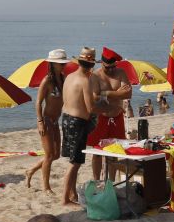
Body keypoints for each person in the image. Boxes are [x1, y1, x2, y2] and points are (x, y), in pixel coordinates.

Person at [60, 47, 114, 207]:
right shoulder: (85, 81)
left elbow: (67, 99)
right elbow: (91, 108)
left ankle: (72, 193)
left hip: (66, 118)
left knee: (73, 160)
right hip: (77, 122)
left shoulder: (69, 77)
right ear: (90, 66)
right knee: (74, 163)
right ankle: (65, 199)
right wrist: (107, 108)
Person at [25, 49, 70, 195]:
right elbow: (38, 102)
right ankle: (46, 187)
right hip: (46, 120)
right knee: (50, 155)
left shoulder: (63, 79)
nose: (63, 66)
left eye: (63, 63)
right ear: (52, 64)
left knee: (56, 155)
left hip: (56, 121)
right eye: (59, 63)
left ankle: (31, 170)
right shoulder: (47, 81)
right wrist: (39, 121)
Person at [86, 47, 132, 181]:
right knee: (97, 152)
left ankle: (111, 182)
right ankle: (96, 180)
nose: (111, 70)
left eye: (113, 67)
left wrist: (105, 93)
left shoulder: (121, 73)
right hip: (101, 118)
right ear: (102, 63)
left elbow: (128, 93)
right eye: (108, 68)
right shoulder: (95, 75)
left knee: (114, 152)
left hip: (117, 117)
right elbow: (94, 97)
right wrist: (117, 93)